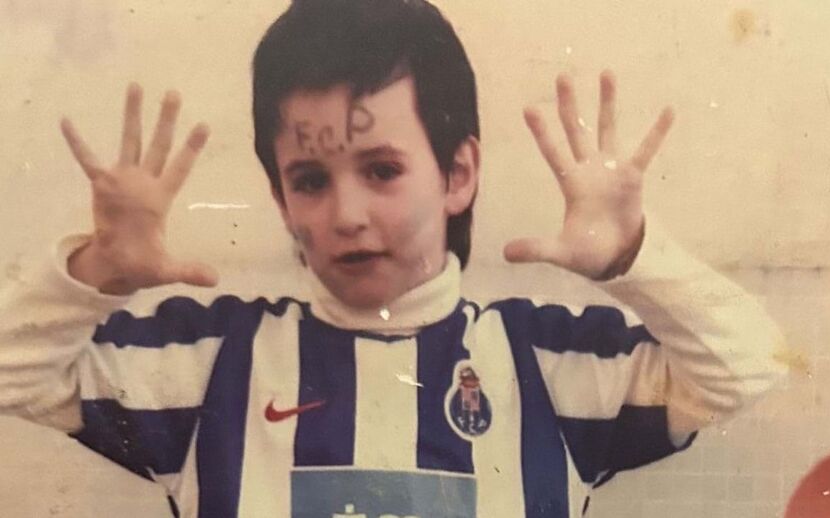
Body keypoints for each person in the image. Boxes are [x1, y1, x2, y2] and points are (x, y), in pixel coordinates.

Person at [0, 0, 787, 517]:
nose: (346, 215)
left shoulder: (549, 366)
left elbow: (748, 369)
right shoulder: (208, 362)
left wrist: (634, 258)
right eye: (311, 180)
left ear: (457, 174)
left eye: (381, 170)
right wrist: (94, 273)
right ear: (280, 198)